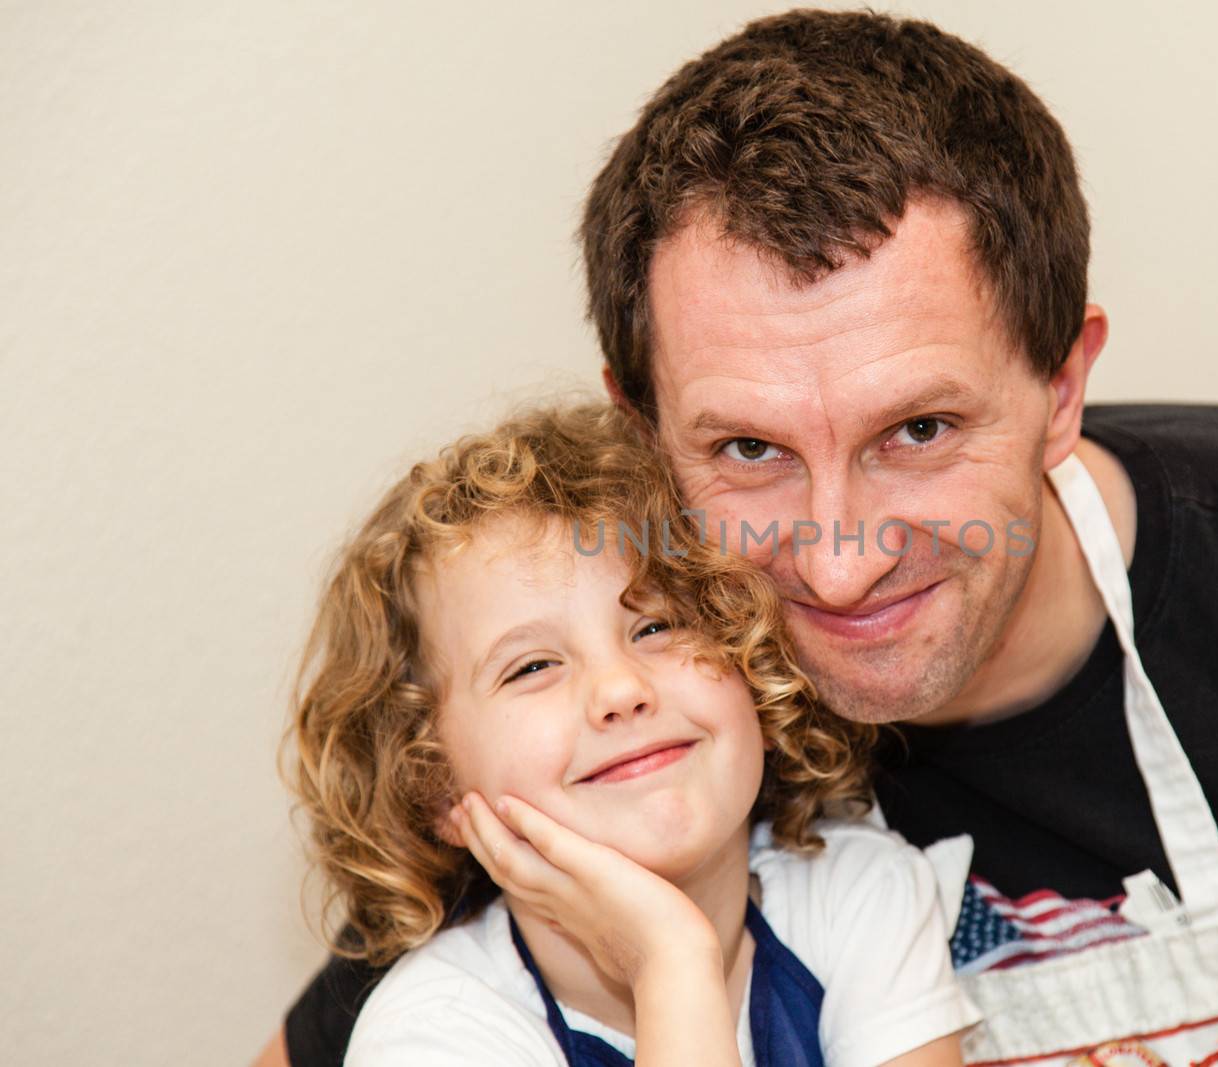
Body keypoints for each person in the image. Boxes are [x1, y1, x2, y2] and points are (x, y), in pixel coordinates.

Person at [263, 9, 1218, 1065]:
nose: (840, 562)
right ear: (640, 434)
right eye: (747, 450)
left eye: (919, 430)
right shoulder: (645, 741)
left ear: (1062, 383)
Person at [283, 403, 979, 1067]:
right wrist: (670, 964)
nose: (620, 689)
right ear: (430, 780)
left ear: (760, 669)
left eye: (657, 626)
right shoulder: (434, 1031)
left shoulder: (857, 897)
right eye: (531, 666)